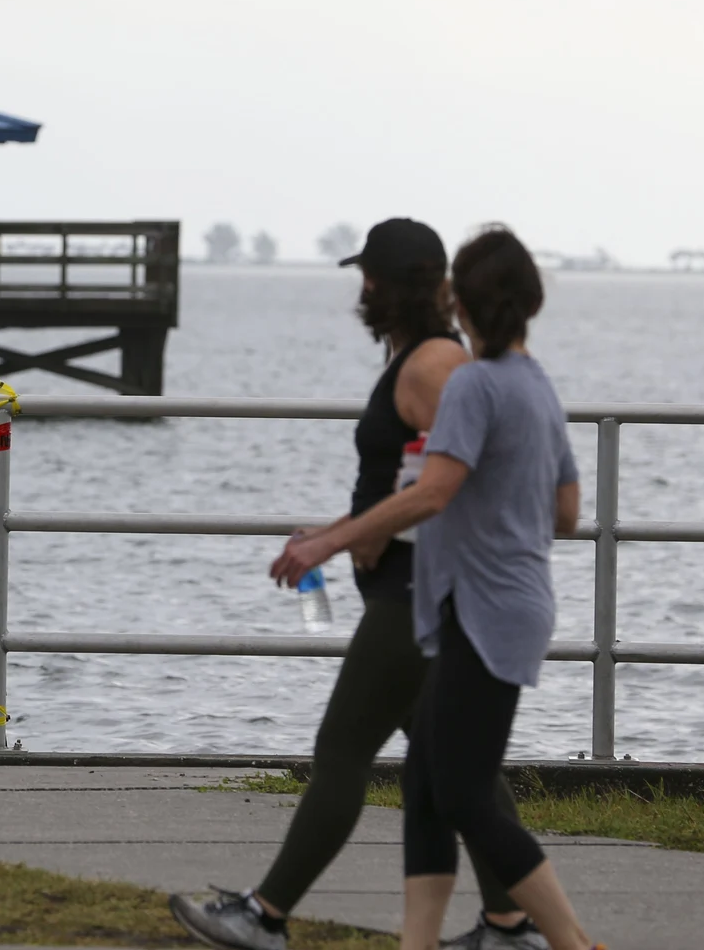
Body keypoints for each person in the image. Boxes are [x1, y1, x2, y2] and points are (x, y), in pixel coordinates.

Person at [170, 219, 547, 950]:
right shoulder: (420, 357)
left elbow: (458, 484)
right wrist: (336, 531)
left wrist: (348, 535)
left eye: (365, 278)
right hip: (412, 587)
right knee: (453, 765)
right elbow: (410, 481)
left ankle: (266, 914)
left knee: (342, 749)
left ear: (383, 284)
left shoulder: (433, 365)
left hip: (419, 593)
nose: (360, 292)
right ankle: (511, 923)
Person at [268, 227, 599, 950]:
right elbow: (565, 511)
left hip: (467, 600)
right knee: (436, 780)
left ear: (459, 298)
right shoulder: (532, 381)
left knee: (450, 788)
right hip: (503, 597)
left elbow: (440, 486)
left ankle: (566, 941)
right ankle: (470, 934)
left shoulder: (465, 378)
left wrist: (338, 536)